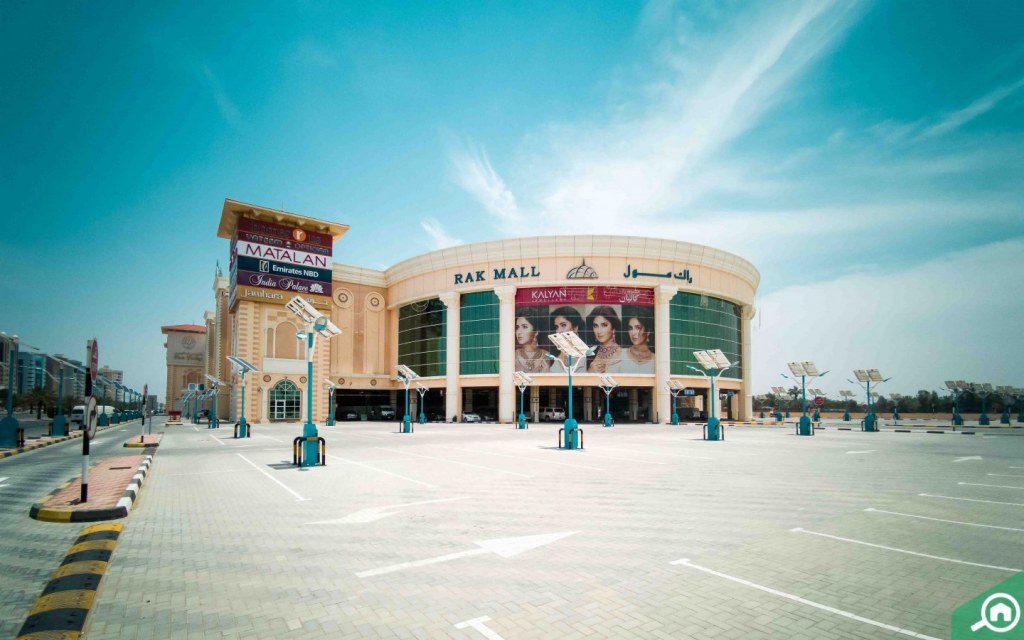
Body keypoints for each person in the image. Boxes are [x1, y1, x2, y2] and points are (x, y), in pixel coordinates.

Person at [547, 306, 584, 372]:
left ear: (575, 328)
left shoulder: (587, 354)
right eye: (556, 327)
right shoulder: (556, 352)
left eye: (563, 325)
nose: (558, 331)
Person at [586, 305, 622, 373]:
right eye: (595, 326)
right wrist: (590, 372)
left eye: (604, 325)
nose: (599, 331)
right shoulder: (590, 353)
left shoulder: (623, 355)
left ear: (613, 328)